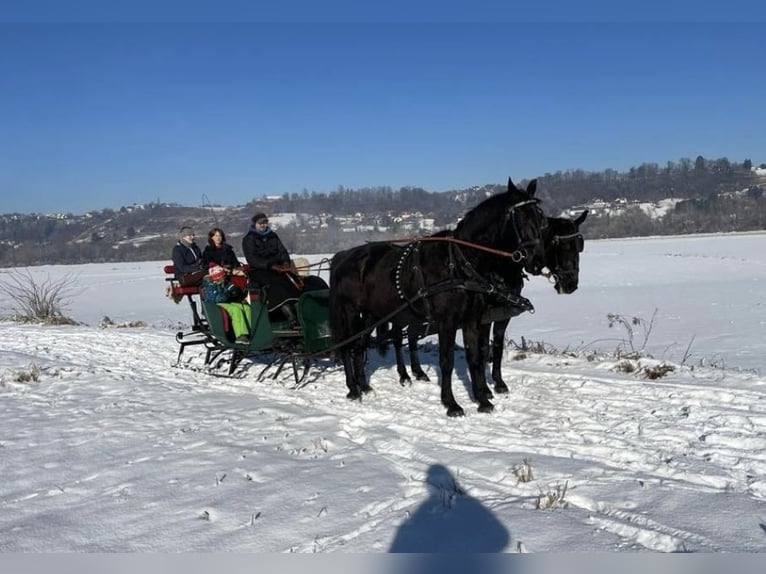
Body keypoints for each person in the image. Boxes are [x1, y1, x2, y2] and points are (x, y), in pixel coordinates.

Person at [242, 212, 327, 328]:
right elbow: (252, 259)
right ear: (255, 224)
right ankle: (292, 319)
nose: (263, 225)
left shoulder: (273, 236)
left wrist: (286, 263)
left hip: (279, 269)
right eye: (260, 223)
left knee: (304, 283)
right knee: (279, 287)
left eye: (265, 222)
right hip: (260, 270)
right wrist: (270, 265)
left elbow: (282, 251)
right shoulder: (249, 239)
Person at [200, 265, 251, 344]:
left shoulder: (223, 283)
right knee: (235, 310)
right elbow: (217, 298)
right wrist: (228, 294)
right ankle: (240, 335)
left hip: (225, 302)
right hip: (216, 305)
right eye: (223, 276)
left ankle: (251, 331)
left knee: (246, 308)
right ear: (218, 277)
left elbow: (229, 287)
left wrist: (235, 290)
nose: (224, 278)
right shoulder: (210, 286)